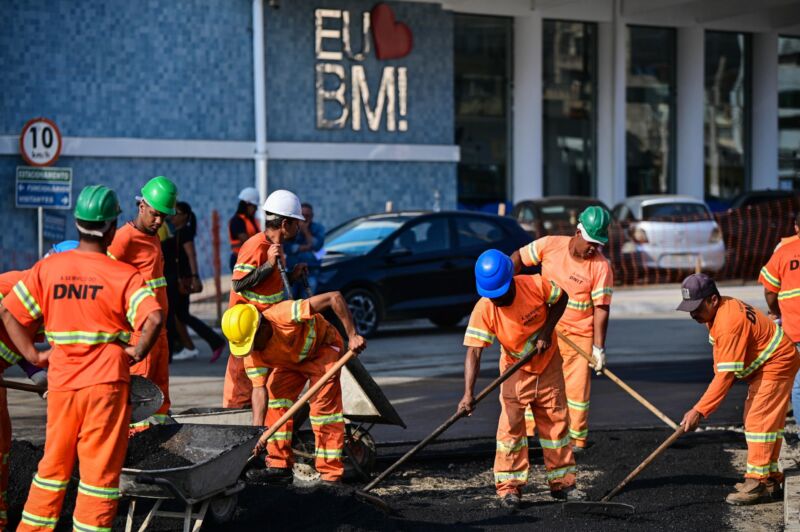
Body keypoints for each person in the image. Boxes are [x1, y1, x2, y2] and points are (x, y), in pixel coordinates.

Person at [0, 185, 162, 531]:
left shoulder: (49, 269)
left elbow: (8, 311)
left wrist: (32, 356)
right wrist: (134, 352)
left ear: (77, 222)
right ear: (110, 226)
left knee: (52, 468)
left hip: (62, 387)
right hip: (105, 388)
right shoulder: (122, 274)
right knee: (98, 476)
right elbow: (153, 318)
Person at [459, 249, 585, 509]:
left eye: (500, 294)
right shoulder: (485, 308)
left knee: (556, 427)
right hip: (515, 370)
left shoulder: (535, 284)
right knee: (511, 431)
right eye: (491, 296)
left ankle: (563, 484)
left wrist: (546, 332)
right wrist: (468, 394)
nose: (497, 300)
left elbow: (562, 299)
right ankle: (509, 488)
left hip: (548, 365)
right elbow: (474, 351)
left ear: (511, 280)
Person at [677, 273, 800, 505]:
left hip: (776, 363)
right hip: (772, 362)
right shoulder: (722, 309)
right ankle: (771, 477)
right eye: (689, 308)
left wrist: (699, 410)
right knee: (765, 423)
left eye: (696, 307)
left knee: (758, 420)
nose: (693, 314)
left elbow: (725, 376)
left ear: (713, 299)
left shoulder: (728, 322)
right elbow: (724, 367)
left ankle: (756, 483)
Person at [222, 290, 366, 484]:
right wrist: (257, 434)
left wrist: (352, 335)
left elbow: (335, 297)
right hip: (291, 362)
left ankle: (330, 476)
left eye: (252, 343)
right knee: (275, 400)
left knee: (323, 412)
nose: (252, 349)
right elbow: (259, 390)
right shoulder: (252, 351)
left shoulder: (284, 314)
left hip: (323, 350)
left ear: (262, 327)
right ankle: (279, 464)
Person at [509, 206, 613, 450]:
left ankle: (576, 439)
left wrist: (599, 347)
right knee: (536, 380)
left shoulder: (601, 267)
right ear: (578, 232)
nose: (593, 248)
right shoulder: (550, 245)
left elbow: (601, 308)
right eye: (590, 242)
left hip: (580, 334)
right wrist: (507, 287)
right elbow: (517, 258)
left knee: (576, 391)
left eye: (598, 244)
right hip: (546, 330)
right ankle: (532, 432)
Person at [223, 189, 308, 408]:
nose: (299, 227)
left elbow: (269, 283)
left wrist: (292, 276)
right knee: (241, 392)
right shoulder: (256, 246)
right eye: (297, 223)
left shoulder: (275, 248)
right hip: (247, 332)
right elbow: (239, 283)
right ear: (285, 224)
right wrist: (269, 265)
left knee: (264, 390)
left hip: (265, 333)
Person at [109, 176, 176, 427]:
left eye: (163, 217)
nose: (159, 221)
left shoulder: (153, 236)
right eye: (155, 215)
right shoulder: (123, 239)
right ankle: (135, 444)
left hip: (158, 330)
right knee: (141, 393)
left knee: (160, 393)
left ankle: (157, 442)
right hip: (139, 331)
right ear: (141, 207)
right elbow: (107, 281)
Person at [162, 201, 226, 362]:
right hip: (178, 280)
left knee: (177, 315)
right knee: (181, 315)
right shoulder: (175, 231)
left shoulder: (184, 233)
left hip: (181, 281)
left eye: (176, 213)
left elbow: (192, 255)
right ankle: (208, 343)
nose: (172, 216)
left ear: (185, 217)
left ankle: (213, 342)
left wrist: (195, 277)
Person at [759, 235, 800, 428]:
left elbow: (769, 290)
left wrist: (774, 311)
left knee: (799, 385)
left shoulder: (784, 251)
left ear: (796, 227)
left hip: (796, 327)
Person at [286, 202, 325, 296]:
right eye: (303, 215)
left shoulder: (318, 228)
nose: (305, 218)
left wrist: (306, 231)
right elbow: (287, 247)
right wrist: (306, 247)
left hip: (311, 271)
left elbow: (317, 246)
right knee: (288, 298)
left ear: (312, 216)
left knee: (308, 300)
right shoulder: (291, 227)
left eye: (308, 216)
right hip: (292, 270)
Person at [229, 187, 262, 272]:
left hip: (252, 259)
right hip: (239, 260)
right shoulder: (237, 221)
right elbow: (246, 241)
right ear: (247, 204)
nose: (256, 209)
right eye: (254, 206)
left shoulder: (252, 220)